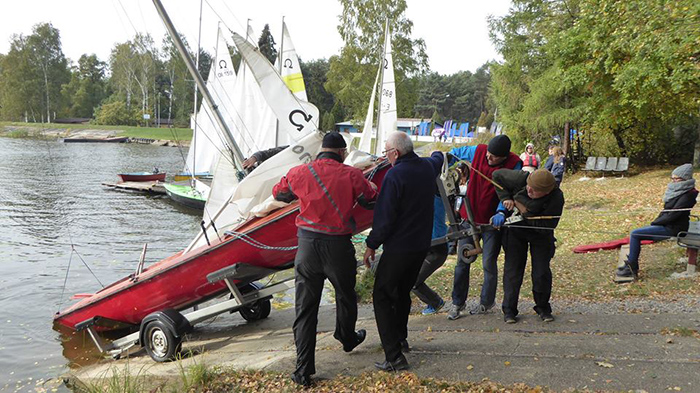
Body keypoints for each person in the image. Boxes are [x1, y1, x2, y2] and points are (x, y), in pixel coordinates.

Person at [272, 132, 378, 387]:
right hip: (337, 246)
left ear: (322, 150)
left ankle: (303, 370)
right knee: (345, 294)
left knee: (305, 309)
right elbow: (369, 201)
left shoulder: (299, 172)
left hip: (307, 246)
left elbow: (279, 194)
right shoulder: (352, 174)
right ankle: (346, 337)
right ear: (342, 152)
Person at [362, 131, 443, 371]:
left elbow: (385, 217)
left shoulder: (394, 175)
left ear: (395, 153)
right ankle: (401, 339)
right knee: (402, 292)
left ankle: (394, 355)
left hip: (399, 247)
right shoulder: (427, 167)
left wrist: (371, 244)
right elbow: (439, 158)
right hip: (421, 246)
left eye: (386, 152)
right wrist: (438, 152)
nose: (385, 157)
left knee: (383, 295)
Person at [446, 135, 522, 320]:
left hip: (491, 223)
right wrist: (443, 158)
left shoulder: (514, 164)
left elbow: (511, 192)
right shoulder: (479, 151)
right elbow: (455, 154)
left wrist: (501, 212)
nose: (488, 158)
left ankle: (486, 303)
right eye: (488, 154)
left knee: (489, 263)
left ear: (504, 156)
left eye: (493, 157)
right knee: (462, 263)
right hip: (468, 218)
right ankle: (457, 303)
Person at [491, 168, 565, 324]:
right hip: (515, 231)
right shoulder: (521, 178)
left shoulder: (556, 197)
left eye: (535, 190)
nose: (529, 190)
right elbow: (496, 176)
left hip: (541, 233)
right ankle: (509, 310)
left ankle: (543, 308)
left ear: (546, 192)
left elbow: (547, 225)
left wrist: (525, 210)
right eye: (529, 186)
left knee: (541, 271)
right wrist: (506, 199)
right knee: (513, 270)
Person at [616, 164, 698, 282]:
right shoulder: (679, 191)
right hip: (667, 225)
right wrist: (657, 222)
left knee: (635, 234)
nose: (674, 181)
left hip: (674, 228)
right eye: (672, 178)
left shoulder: (688, 195)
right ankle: (631, 264)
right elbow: (667, 212)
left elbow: (673, 215)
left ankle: (631, 267)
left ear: (685, 179)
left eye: (677, 179)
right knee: (636, 234)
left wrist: (655, 223)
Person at [412, 195, 448, 315]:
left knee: (413, 281)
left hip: (436, 249)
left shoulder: (429, 201)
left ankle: (436, 302)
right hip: (430, 247)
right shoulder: (433, 199)